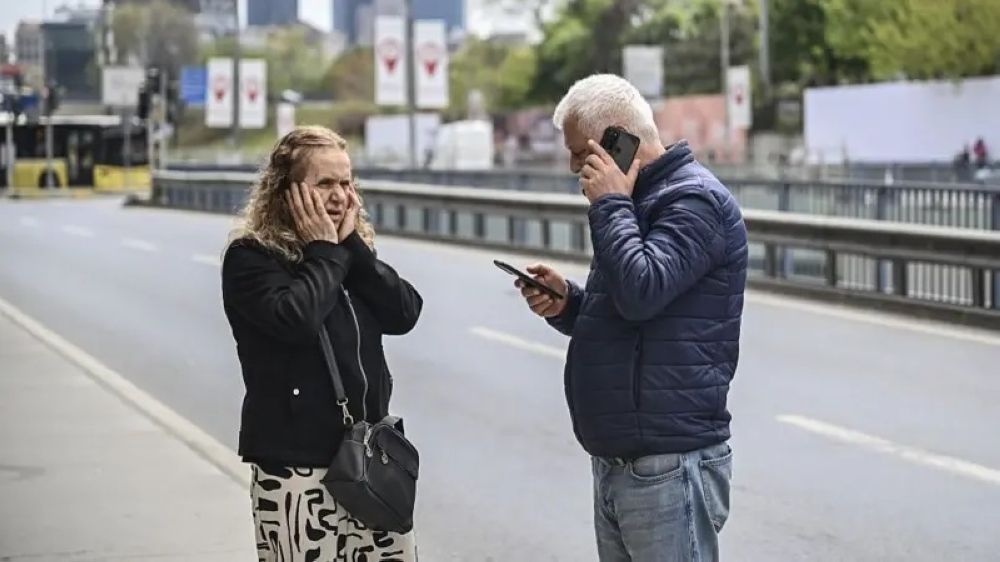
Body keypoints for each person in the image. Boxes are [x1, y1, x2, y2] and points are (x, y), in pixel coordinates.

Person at [515, 74, 747, 562]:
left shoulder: (693, 201)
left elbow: (643, 291)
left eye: (582, 151)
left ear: (620, 139)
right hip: (624, 461)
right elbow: (631, 312)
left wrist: (611, 204)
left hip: (668, 463)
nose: (575, 165)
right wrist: (569, 304)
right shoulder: (636, 201)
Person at [221, 126, 422, 561]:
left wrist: (352, 248)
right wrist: (324, 253)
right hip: (297, 467)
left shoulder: (348, 254)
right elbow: (296, 319)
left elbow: (404, 313)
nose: (340, 195)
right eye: (325, 184)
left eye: (347, 183)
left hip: (370, 461)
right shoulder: (251, 258)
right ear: (285, 192)